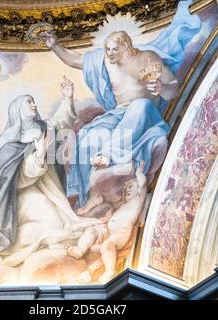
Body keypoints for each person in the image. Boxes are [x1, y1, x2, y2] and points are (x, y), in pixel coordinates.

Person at [44, 0, 201, 215]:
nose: (109, 54)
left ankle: (110, 154)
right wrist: (54, 46)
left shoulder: (148, 59)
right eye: (107, 50)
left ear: (126, 46)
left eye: (114, 49)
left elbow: (173, 88)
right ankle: (93, 194)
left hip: (146, 115)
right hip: (117, 114)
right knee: (89, 135)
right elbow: (74, 60)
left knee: (141, 105)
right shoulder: (106, 61)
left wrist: (160, 89)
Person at [0, 77, 100, 273]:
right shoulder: (8, 143)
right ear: (17, 109)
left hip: (50, 188)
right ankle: (2, 255)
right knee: (54, 222)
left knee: (62, 222)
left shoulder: (44, 128)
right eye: (28, 101)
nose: (34, 104)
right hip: (20, 199)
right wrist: (40, 154)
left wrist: (68, 99)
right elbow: (13, 180)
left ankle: (17, 254)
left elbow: (60, 121)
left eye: (34, 101)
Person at [66, 160, 148, 282]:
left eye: (130, 187)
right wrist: (107, 217)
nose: (127, 191)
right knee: (92, 231)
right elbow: (112, 210)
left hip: (120, 234)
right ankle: (80, 250)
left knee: (107, 245)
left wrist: (139, 172)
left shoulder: (137, 200)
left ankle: (110, 271)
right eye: (125, 191)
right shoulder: (123, 205)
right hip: (108, 232)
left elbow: (143, 183)